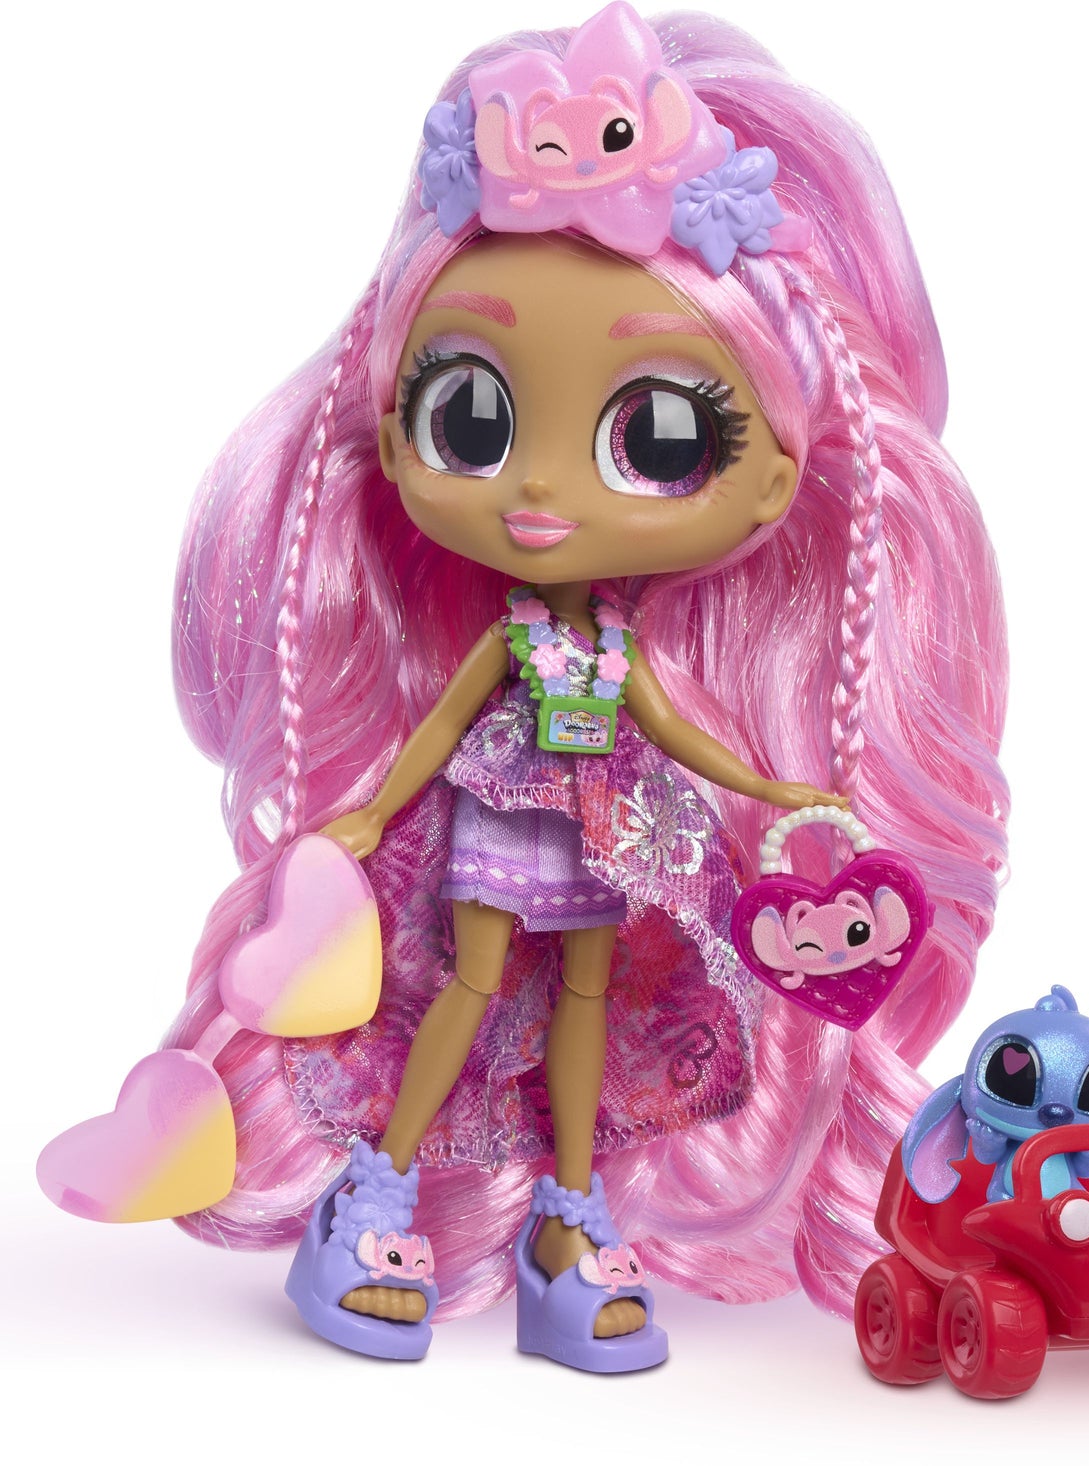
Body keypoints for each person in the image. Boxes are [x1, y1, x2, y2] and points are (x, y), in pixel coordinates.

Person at [42, 2, 1008, 1371]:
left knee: (589, 1007)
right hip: (497, 824)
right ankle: (376, 1188)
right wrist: (366, 819)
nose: (541, 492)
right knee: (469, 986)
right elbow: (444, 726)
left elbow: (667, 728)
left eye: (658, 437)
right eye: (473, 416)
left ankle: (569, 1215)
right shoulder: (515, 640)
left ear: (777, 482)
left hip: (614, 842)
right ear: (392, 429)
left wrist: (777, 787)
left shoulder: (615, 650)